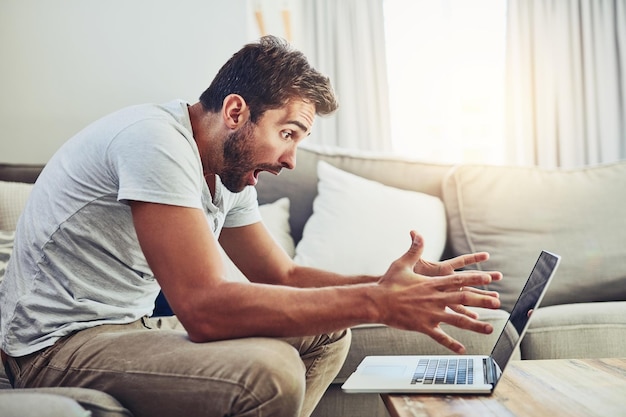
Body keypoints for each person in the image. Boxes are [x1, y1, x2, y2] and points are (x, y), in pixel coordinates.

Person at [0, 36, 502, 417]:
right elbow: (203, 309)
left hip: (127, 328)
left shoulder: (225, 169)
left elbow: (280, 276)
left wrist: (390, 286)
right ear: (237, 111)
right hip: (51, 346)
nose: (290, 159)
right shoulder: (154, 142)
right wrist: (377, 302)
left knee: (329, 332)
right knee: (269, 372)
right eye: (287, 133)